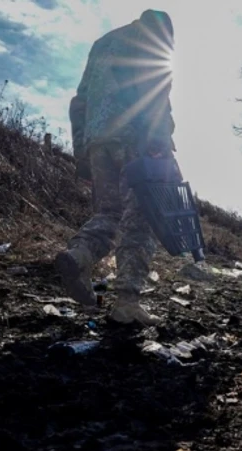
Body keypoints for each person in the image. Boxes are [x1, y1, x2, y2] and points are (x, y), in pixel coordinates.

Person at [55, 9, 178, 326]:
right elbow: (155, 95)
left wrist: (82, 149)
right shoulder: (151, 40)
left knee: (108, 212)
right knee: (141, 220)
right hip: (134, 140)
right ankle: (127, 302)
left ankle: (79, 255)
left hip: (98, 141)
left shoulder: (102, 43)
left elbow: (79, 101)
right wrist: (159, 140)